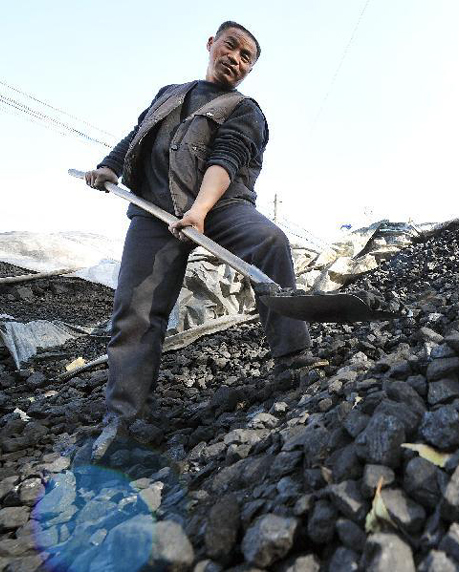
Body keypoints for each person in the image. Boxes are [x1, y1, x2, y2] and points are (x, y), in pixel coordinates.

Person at [85, 21, 311, 460]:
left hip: (222, 208)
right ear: (211, 44)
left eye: (246, 58)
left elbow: (225, 160)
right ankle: (124, 418)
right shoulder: (169, 93)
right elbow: (138, 138)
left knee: (269, 242)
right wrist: (109, 167)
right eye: (231, 47)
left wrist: (201, 210)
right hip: (155, 214)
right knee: (136, 311)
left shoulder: (244, 109)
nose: (236, 59)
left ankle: (293, 358)